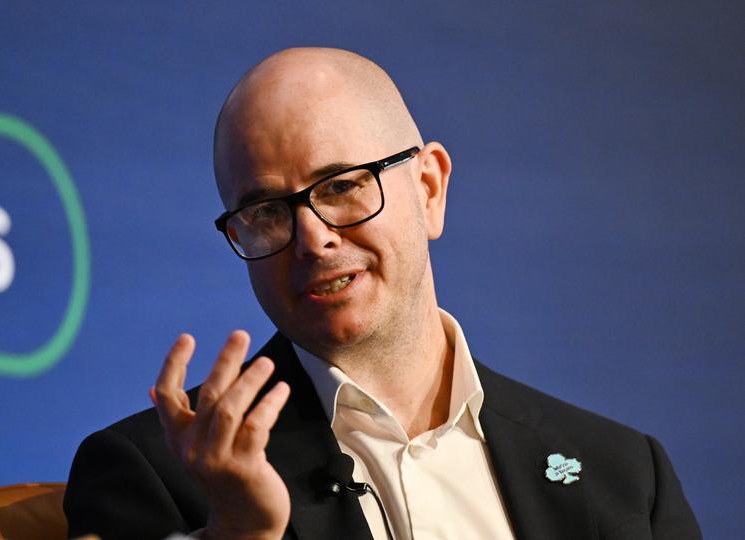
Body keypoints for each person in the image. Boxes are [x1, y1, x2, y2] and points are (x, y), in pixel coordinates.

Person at [64, 48, 702, 540]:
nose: (312, 240)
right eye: (265, 211)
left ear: (429, 189)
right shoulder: (164, 471)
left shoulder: (623, 472)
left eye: (341, 185)